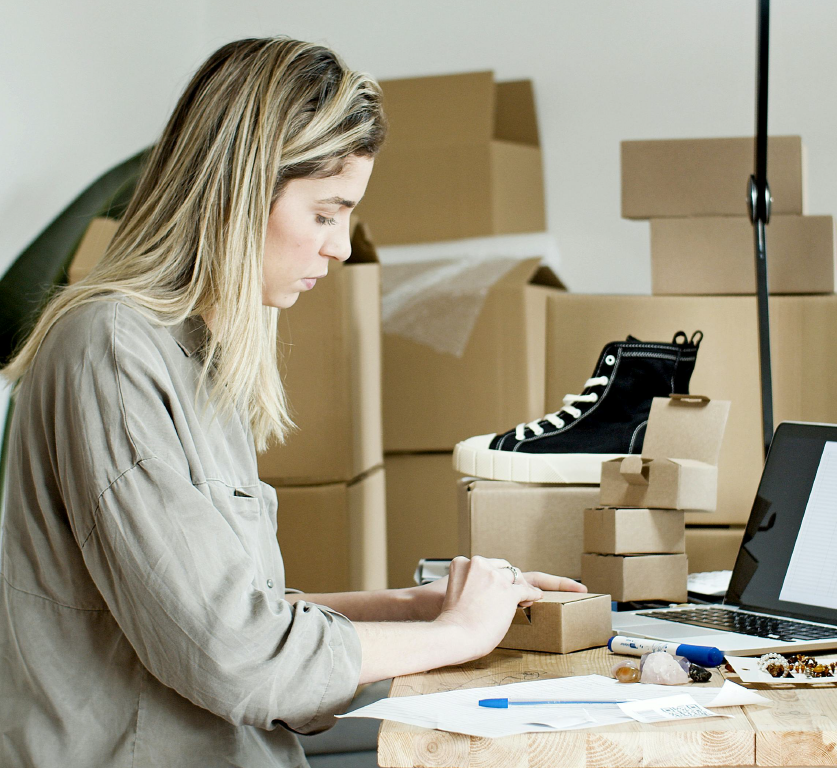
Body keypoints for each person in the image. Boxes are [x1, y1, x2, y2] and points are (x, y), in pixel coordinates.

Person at [0, 37, 585, 768]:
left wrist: (418, 608)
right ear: (243, 192)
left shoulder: (195, 356)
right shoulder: (113, 353)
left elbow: (237, 617)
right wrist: (456, 636)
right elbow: (237, 657)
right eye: (325, 214)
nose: (340, 247)